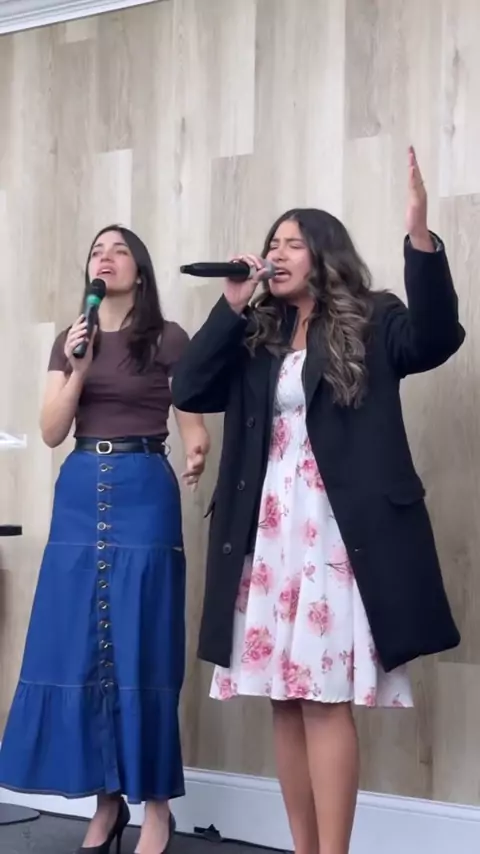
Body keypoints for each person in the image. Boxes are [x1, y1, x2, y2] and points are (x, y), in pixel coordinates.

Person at [171, 147, 464, 854]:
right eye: (271, 243)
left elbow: (436, 337)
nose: (276, 253)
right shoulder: (258, 333)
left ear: (323, 255)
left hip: (337, 533)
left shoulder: (373, 317)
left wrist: (419, 235)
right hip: (270, 533)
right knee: (284, 696)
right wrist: (231, 305)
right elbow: (188, 388)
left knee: (325, 698)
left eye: (292, 243)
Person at [0, 225, 210, 854]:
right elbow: (50, 430)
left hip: (144, 487)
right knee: (84, 646)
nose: (106, 258)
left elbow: (192, 422)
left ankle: (157, 809)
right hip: (80, 487)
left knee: (142, 643)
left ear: (139, 270)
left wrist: (197, 450)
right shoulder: (73, 338)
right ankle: (105, 804)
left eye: (119, 250)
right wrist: (78, 368)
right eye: (97, 250)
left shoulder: (169, 338)